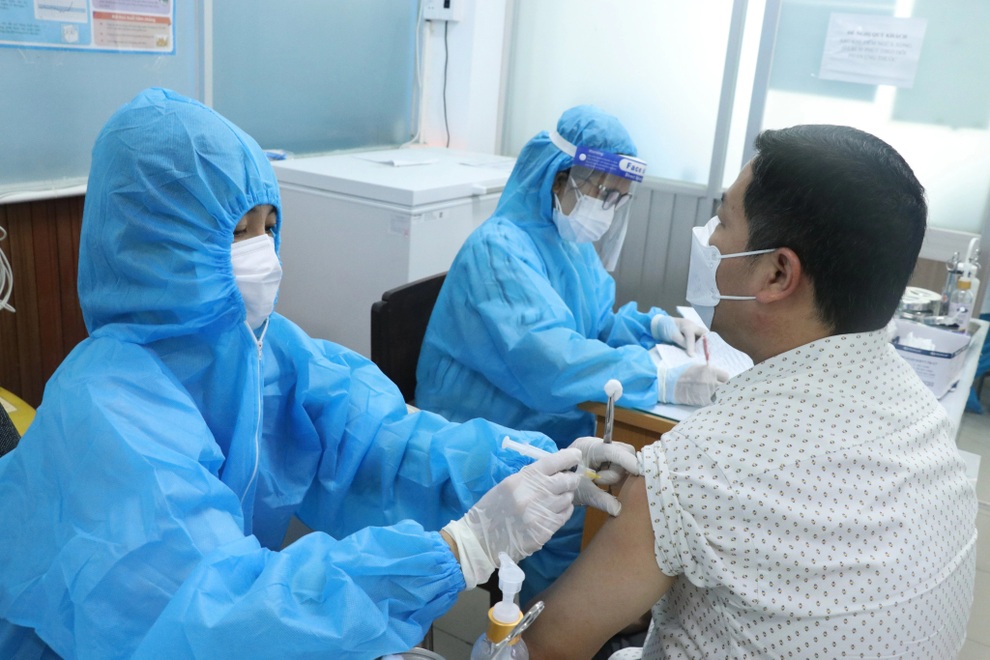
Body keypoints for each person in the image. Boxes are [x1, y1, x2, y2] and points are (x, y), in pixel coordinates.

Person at [0, 88, 639, 659]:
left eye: (269, 226)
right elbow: (218, 616)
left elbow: (381, 438)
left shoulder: (259, 348)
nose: (263, 254)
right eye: (236, 233)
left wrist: (527, 462)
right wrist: (458, 549)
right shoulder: (107, 410)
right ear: (153, 246)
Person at [522, 125, 979, 659]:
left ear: (778, 274)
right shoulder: (927, 419)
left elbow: (541, 647)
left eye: (722, 220)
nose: (708, 237)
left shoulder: (702, 463)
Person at [415, 105, 730, 453]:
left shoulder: (567, 242)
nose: (607, 208)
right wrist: (657, 379)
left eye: (618, 198)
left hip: (543, 420)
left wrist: (655, 327)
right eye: (604, 192)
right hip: (481, 434)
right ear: (558, 178)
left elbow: (595, 325)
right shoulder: (497, 251)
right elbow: (549, 359)